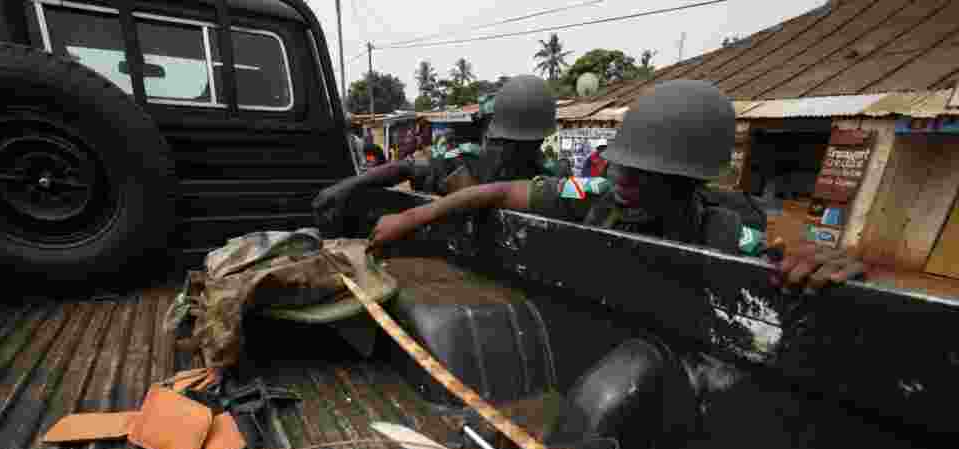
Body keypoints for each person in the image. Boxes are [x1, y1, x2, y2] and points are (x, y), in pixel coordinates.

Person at [368, 80, 867, 292]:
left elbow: (785, 258)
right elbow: (496, 193)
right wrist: (408, 218)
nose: (622, 178)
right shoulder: (592, 195)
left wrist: (827, 264)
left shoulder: (726, 236)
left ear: (689, 181)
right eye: (622, 163)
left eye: (645, 173)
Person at [313, 75, 559, 226]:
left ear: (538, 144)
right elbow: (406, 167)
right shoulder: (462, 161)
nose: (508, 153)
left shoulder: (550, 179)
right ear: (490, 134)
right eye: (505, 143)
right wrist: (348, 186)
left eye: (523, 146)